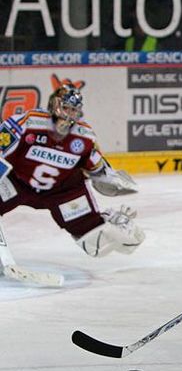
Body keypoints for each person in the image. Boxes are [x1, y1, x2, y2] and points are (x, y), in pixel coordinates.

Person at [0, 84, 145, 260]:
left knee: (96, 244)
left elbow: (98, 170)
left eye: (73, 109)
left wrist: (111, 179)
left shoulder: (84, 136)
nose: (68, 114)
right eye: (65, 107)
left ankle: (109, 219)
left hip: (63, 193)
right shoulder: (28, 122)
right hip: (17, 182)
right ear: (54, 104)